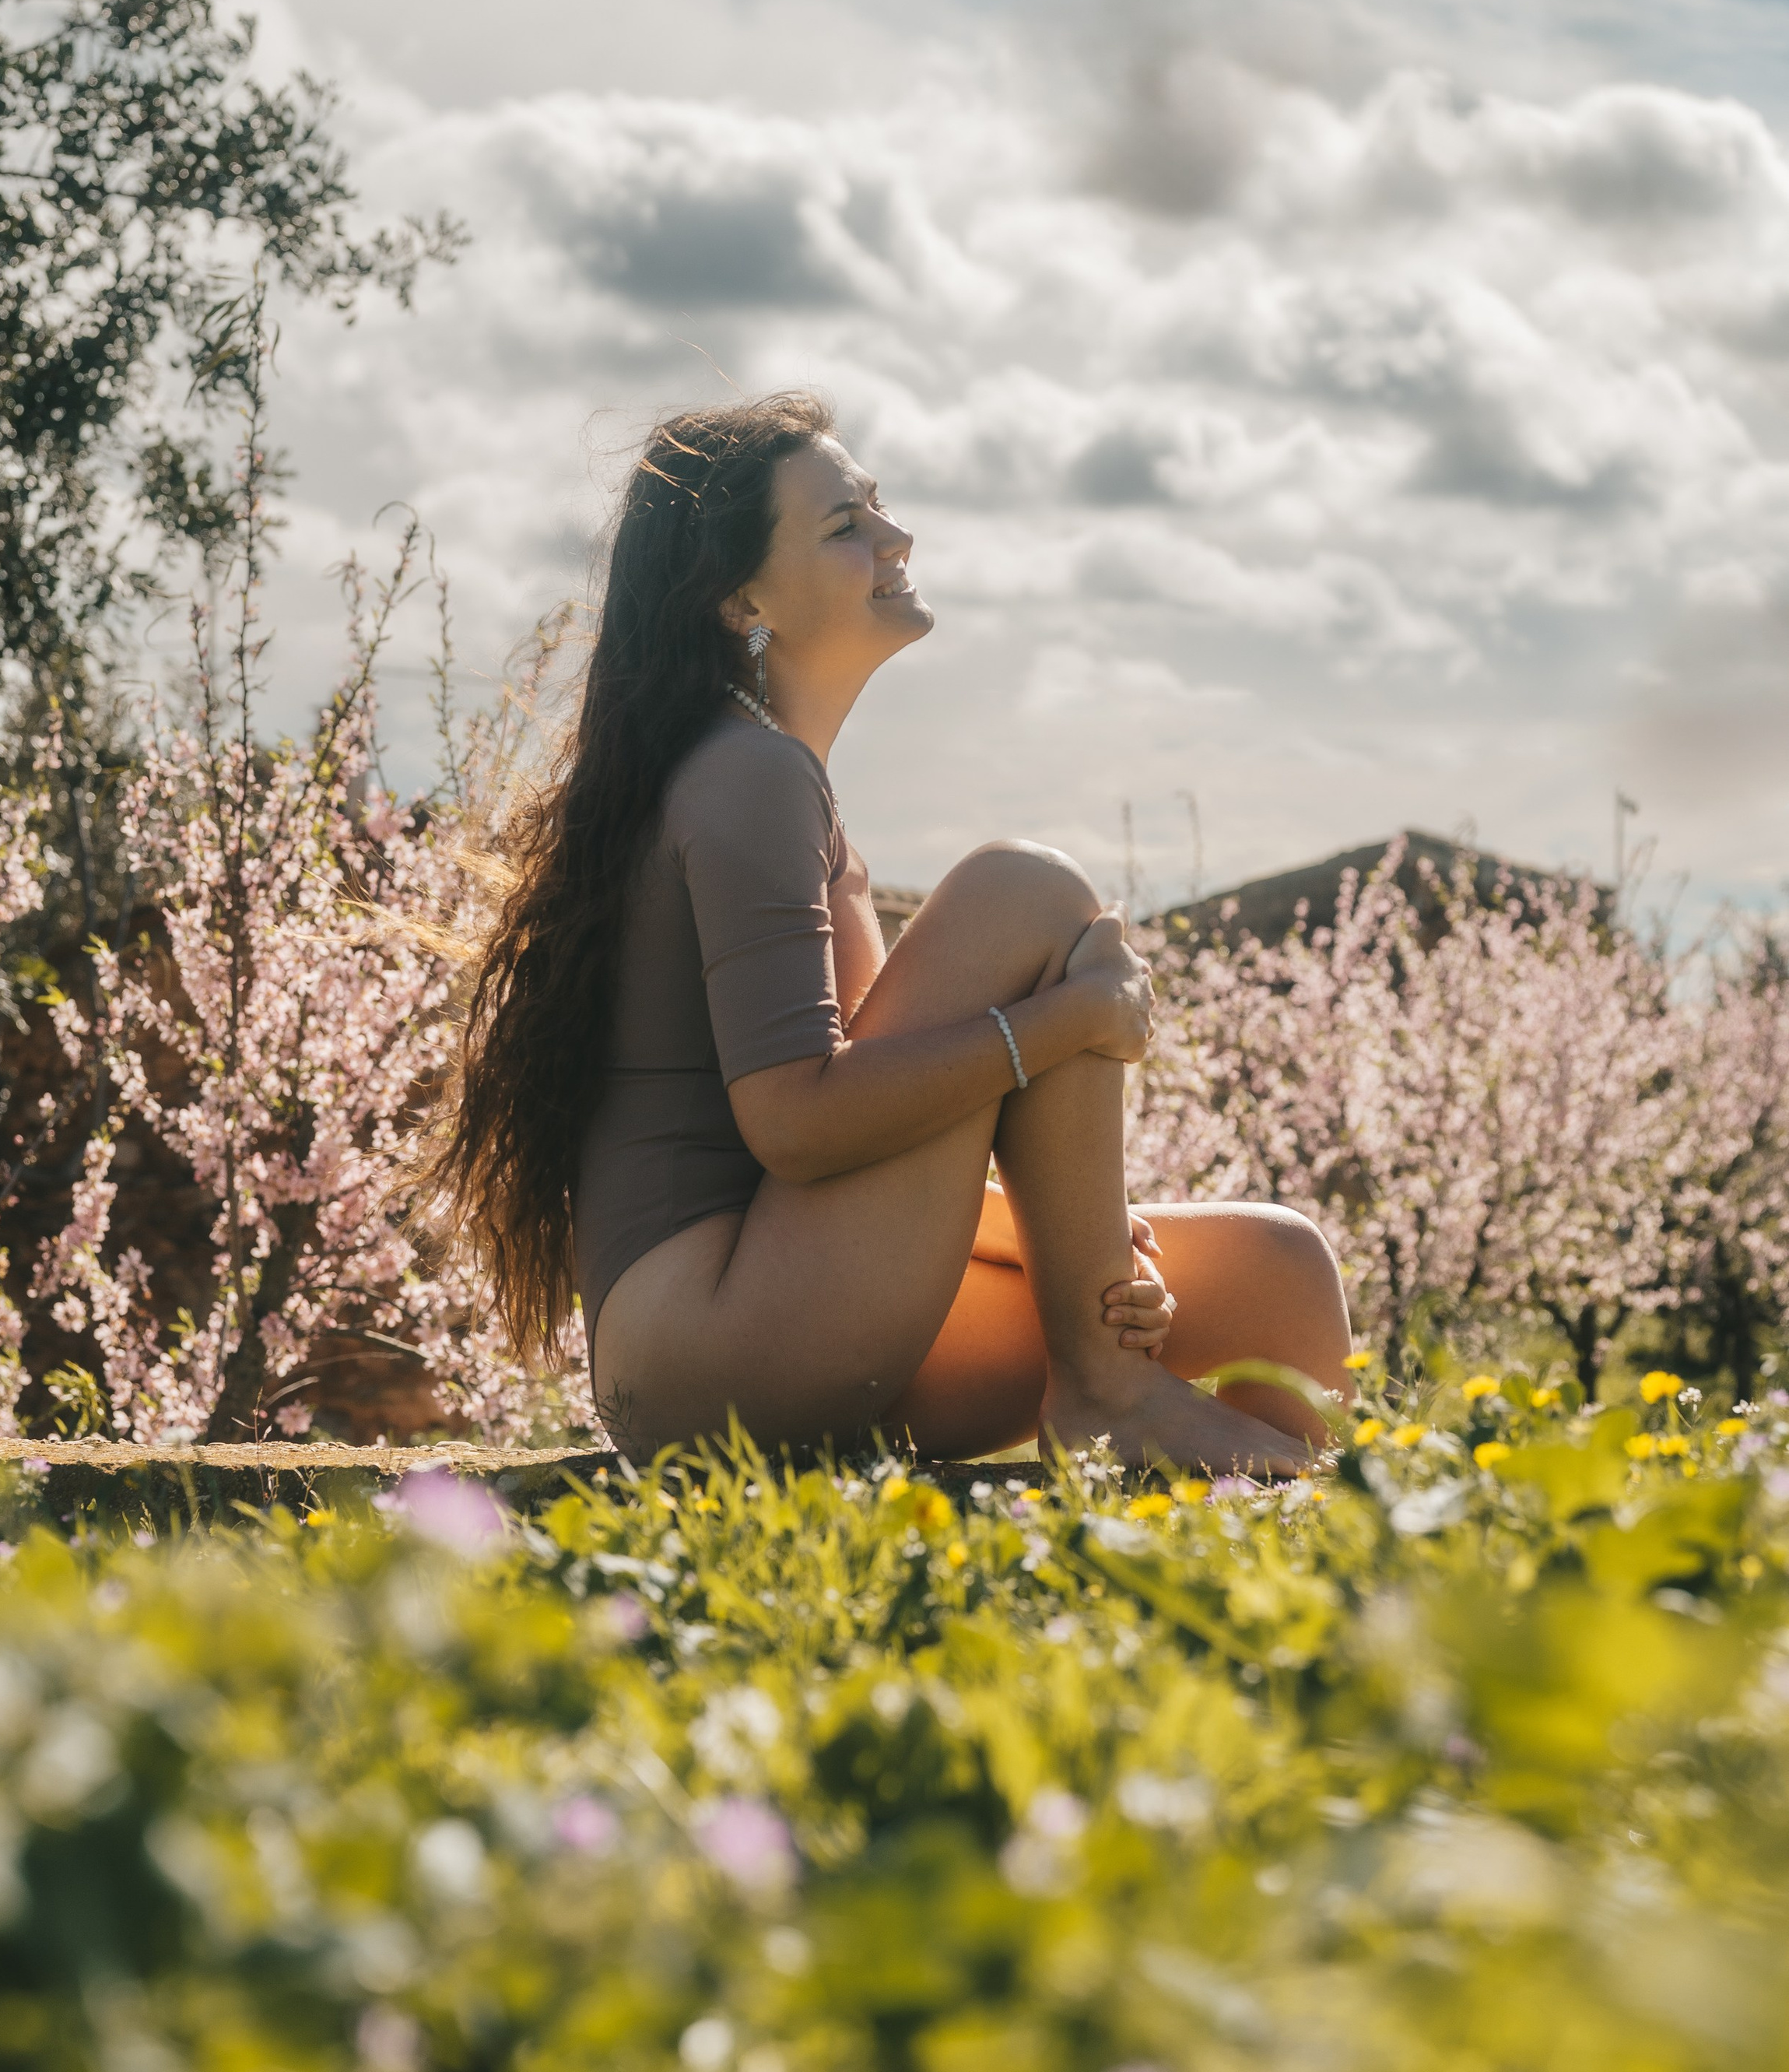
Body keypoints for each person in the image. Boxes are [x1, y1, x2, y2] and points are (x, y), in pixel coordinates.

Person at [430, 392, 1350, 1473]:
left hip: (796, 1303)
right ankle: (1104, 1392)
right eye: (844, 526)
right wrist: (1064, 1023)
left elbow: (899, 1130)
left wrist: (1098, 1258)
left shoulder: (779, 781)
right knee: (1026, 895)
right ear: (739, 599)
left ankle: (1241, 1563)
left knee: (1279, 1273)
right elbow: (797, 1123)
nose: (895, 537)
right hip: (714, 1344)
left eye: (876, 507)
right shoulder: (746, 777)